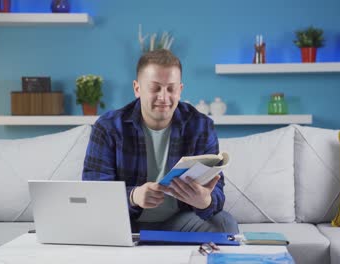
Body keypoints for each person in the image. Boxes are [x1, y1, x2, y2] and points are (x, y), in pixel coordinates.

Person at [82, 49, 239, 233]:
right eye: (155, 88)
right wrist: (134, 196)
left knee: (225, 225)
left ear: (180, 90)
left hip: (179, 222)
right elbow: (93, 192)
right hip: (123, 222)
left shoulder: (201, 126)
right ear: (137, 88)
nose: (163, 97)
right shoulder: (108, 127)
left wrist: (206, 201)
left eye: (171, 88)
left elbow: (216, 190)